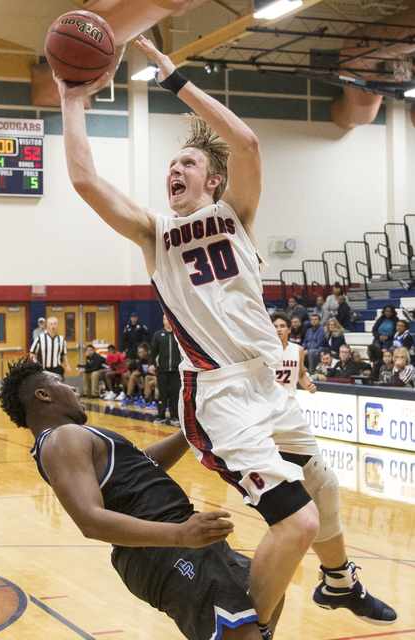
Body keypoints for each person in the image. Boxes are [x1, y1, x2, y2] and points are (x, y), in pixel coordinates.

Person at [54, 35, 395, 632]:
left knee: (325, 485)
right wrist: (70, 98)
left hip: (268, 386)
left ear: (214, 181)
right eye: (170, 166)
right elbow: (85, 182)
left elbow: (248, 142)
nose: (173, 171)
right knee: (301, 522)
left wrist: (175, 80)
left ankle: (340, 584)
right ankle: (238, 631)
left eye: (186, 163)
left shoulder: (237, 214)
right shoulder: (152, 232)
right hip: (218, 396)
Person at [0, 358, 272, 640]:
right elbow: (90, 521)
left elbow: (141, 466)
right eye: (62, 383)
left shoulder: (70, 438)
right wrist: (180, 534)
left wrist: (191, 432)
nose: (74, 389)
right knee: (243, 633)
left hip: (175, 539)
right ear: (43, 395)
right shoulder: (61, 439)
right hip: (162, 547)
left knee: (269, 589)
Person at [270, 312, 395, 623]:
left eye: (283, 325)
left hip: (286, 414)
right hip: (255, 419)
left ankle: (338, 582)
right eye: (276, 326)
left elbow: (299, 375)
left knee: (321, 490)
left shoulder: (296, 349)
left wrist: (308, 383)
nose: (280, 329)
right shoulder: (259, 346)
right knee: (289, 519)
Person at [149, 314, 182, 427]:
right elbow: (153, 352)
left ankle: (174, 416)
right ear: (162, 321)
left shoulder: (179, 335)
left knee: (175, 394)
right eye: (165, 319)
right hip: (162, 370)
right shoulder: (158, 335)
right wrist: (151, 364)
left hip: (176, 370)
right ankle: (161, 416)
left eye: (169, 319)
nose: (167, 321)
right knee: (161, 394)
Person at [121, 343, 157, 409]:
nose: (140, 354)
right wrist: (137, 373)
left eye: (141, 352)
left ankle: (146, 399)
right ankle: (129, 397)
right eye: (138, 352)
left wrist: (140, 374)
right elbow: (138, 371)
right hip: (143, 379)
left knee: (146, 377)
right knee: (133, 375)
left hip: (152, 379)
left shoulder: (152, 360)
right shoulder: (139, 361)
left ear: (147, 351)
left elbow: (154, 373)